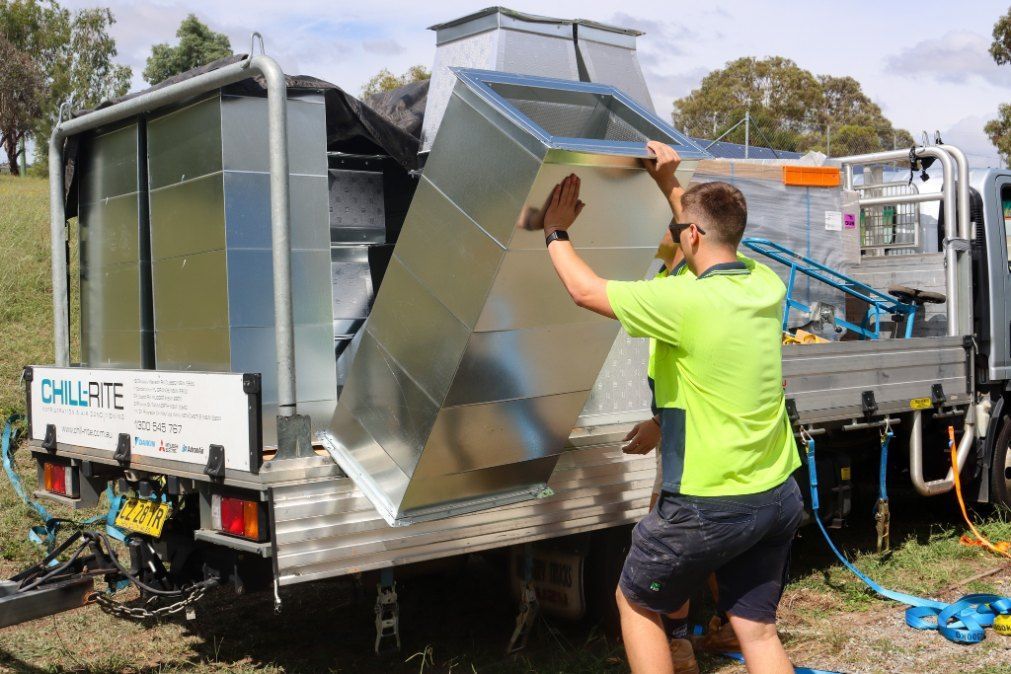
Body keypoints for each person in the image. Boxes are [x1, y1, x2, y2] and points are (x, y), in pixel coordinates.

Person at [541, 141, 803, 674]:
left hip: (710, 500)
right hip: (776, 493)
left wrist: (555, 230)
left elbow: (584, 291)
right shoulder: (764, 284)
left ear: (693, 236)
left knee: (637, 601)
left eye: (681, 228)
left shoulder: (683, 302)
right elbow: (704, 232)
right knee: (756, 629)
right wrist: (669, 181)